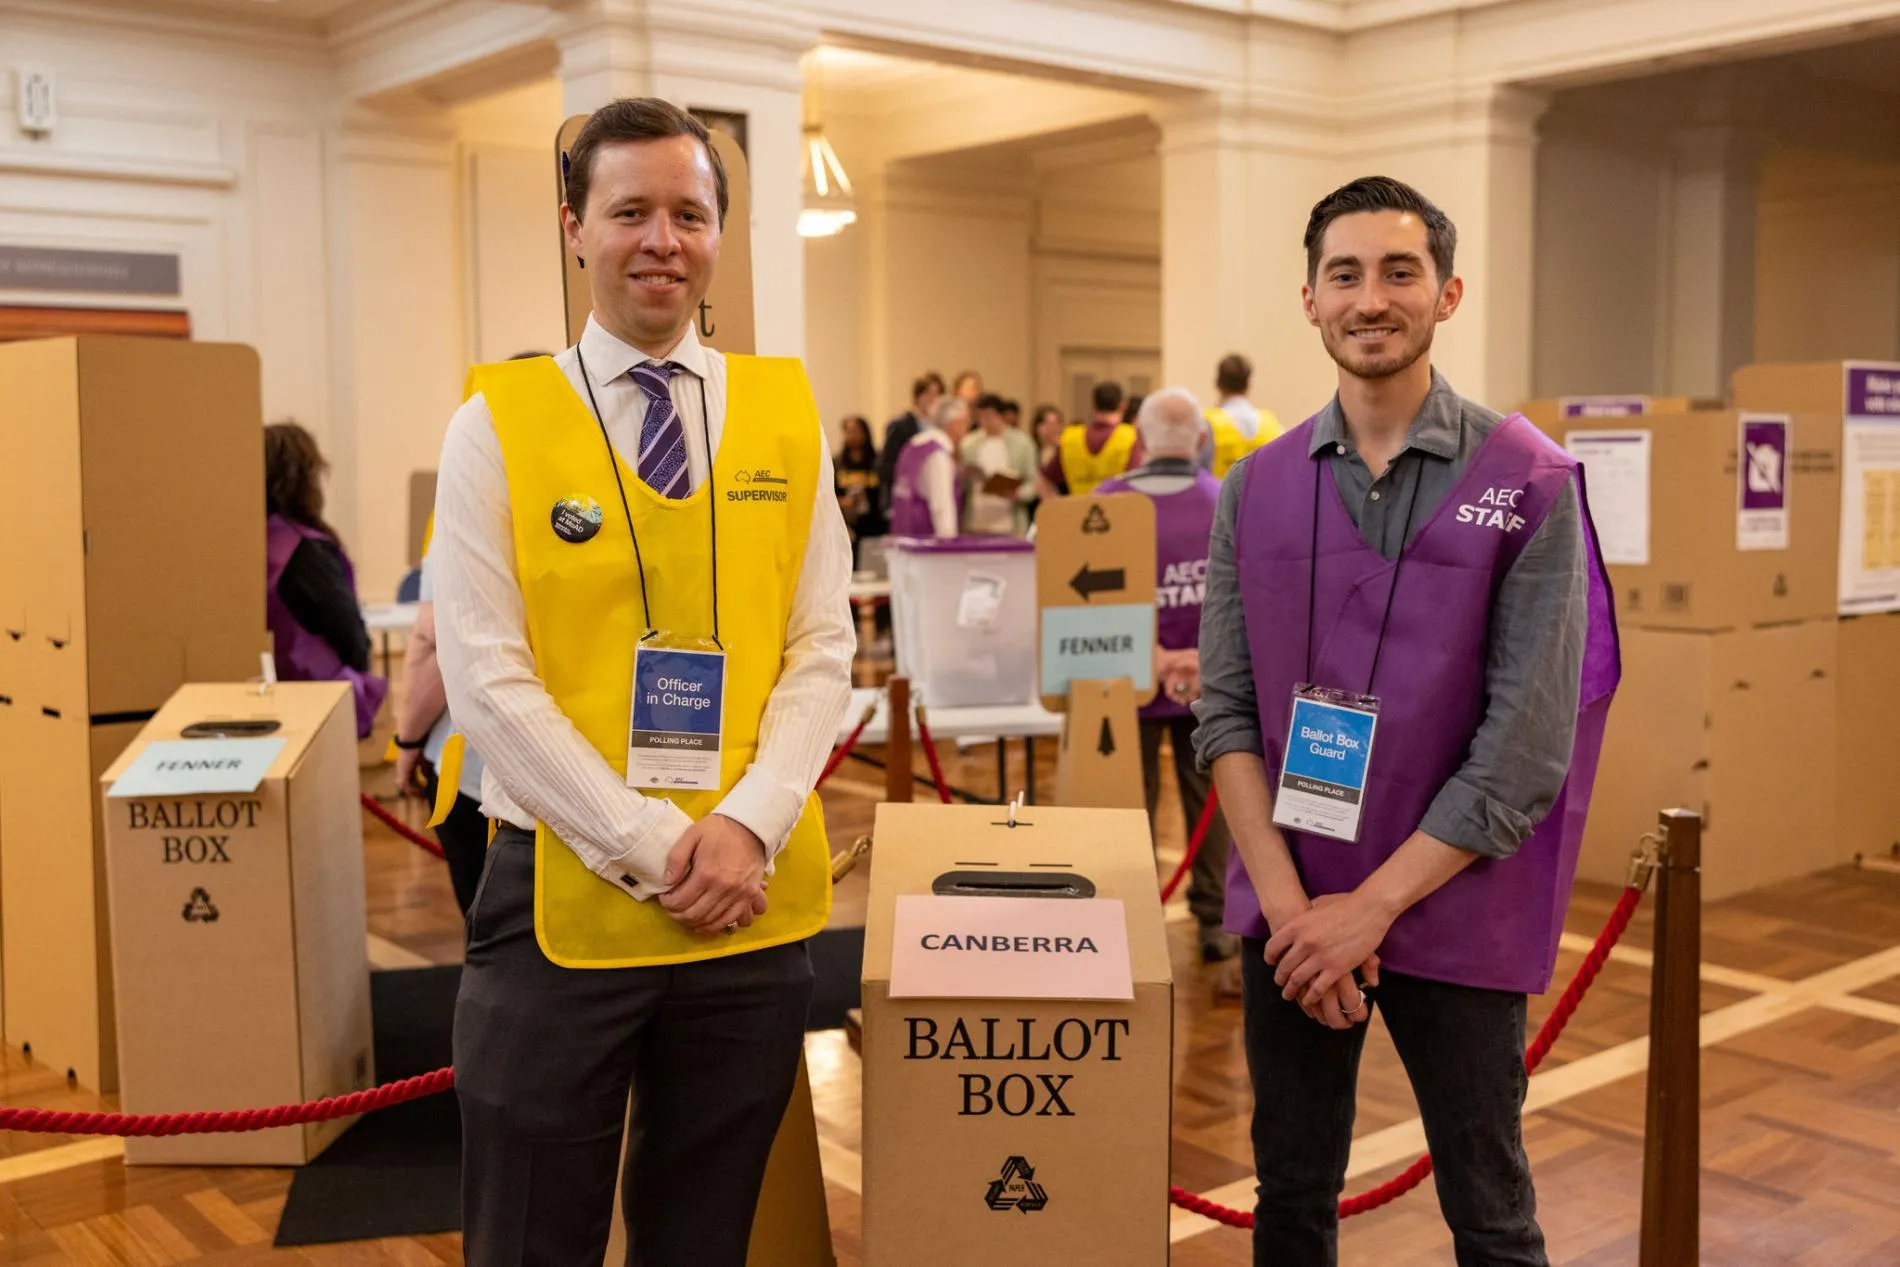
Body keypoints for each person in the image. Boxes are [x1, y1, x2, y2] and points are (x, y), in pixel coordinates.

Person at [431, 98, 854, 1266]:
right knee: (528, 1234)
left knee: (704, 1226)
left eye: (688, 212)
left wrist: (747, 825)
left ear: (719, 231)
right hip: (559, 884)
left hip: (744, 891)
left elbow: (821, 644)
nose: (660, 239)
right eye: (629, 211)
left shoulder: (784, 414)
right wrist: (649, 841)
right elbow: (486, 681)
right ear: (575, 227)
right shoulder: (497, 423)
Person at [1192, 175, 1617, 1265]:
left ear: (1447, 292)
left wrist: (1364, 914)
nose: (1369, 297)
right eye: (1345, 274)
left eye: (1398, 272)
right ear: (1308, 298)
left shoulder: (1528, 483)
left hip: (1455, 903)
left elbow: (1523, 754)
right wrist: (1297, 916)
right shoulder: (1254, 488)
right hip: (1291, 909)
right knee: (1290, 1194)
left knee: (1488, 1207)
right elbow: (1226, 715)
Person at [1094, 388, 1234, 963]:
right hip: (1212, 680)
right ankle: (1215, 922)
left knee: (1133, 802)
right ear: (1201, 441)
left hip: (1125, 682)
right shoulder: (1226, 499)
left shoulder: (1104, 504)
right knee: (1212, 802)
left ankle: (1129, 924)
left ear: (1139, 442)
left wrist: (1147, 654)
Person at [263, 421, 386, 739]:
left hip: (265, 697)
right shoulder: (305, 551)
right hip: (320, 706)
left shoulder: (249, 542)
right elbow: (350, 635)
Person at [887, 395, 971, 537]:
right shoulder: (938, 454)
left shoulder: (913, 445)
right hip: (926, 540)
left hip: (903, 534)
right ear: (956, 424)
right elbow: (941, 504)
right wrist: (948, 543)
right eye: (965, 423)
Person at [1042, 381, 1142, 498]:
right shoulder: (1129, 437)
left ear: (1093, 405)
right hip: (1118, 513)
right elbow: (1137, 484)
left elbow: (1042, 482)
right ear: (1123, 406)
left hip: (1078, 513)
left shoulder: (1071, 438)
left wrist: (1061, 509)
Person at [959, 392, 1039, 536]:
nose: (986, 422)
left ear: (1000, 416)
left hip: (1009, 523)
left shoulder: (1022, 444)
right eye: (982, 417)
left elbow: (1033, 481)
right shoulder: (969, 444)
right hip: (977, 521)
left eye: (989, 416)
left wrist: (1018, 494)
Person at [875, 372, 943, 518]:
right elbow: (887, 463)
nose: (933, 399)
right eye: (929, 394)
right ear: (918, 396)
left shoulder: (938, 427)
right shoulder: (901, 425)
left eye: (936, 395)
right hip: (906, 490)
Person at [1205, 353, 1283, 476]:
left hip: (1219, 493)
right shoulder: (1271, 424)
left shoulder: (1208, 423)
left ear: (1218, 384)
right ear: (1247, 385)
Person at [835, 413, 886, 553]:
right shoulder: (837, 464)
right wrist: (844, 502)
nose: (851, 436)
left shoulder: (878, 463)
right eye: (847, 431)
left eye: (855, 431)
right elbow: (827, 497)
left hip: (874, 528)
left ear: (865, 434)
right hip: (847, 529)